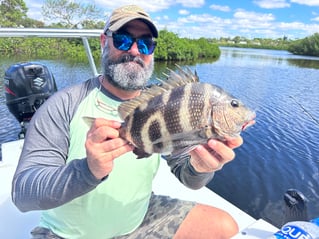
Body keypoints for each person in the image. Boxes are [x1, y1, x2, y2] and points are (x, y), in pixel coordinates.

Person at [12, 4, 243, 239]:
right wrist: (88, 170)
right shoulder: (64, 104)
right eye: (123, 39)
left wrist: (201, 168)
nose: (134, 50)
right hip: (68, 233)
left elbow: (188, 177)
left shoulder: (164, 104)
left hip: (138, 219)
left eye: (145, 43)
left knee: (224, 226)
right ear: (104, 41)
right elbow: (23, 194)